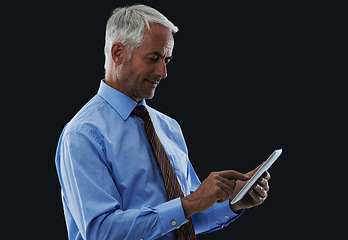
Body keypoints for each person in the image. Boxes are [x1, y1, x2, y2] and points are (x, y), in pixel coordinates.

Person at [55, 4, 271, 240]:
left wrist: (233, 201)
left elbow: (186, 218)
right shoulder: (83, 133)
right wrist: (190, 203)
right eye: (154, 58)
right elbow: (102, 232)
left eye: (166, 59)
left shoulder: (168, 127)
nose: (163, 72)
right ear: (118, 53)